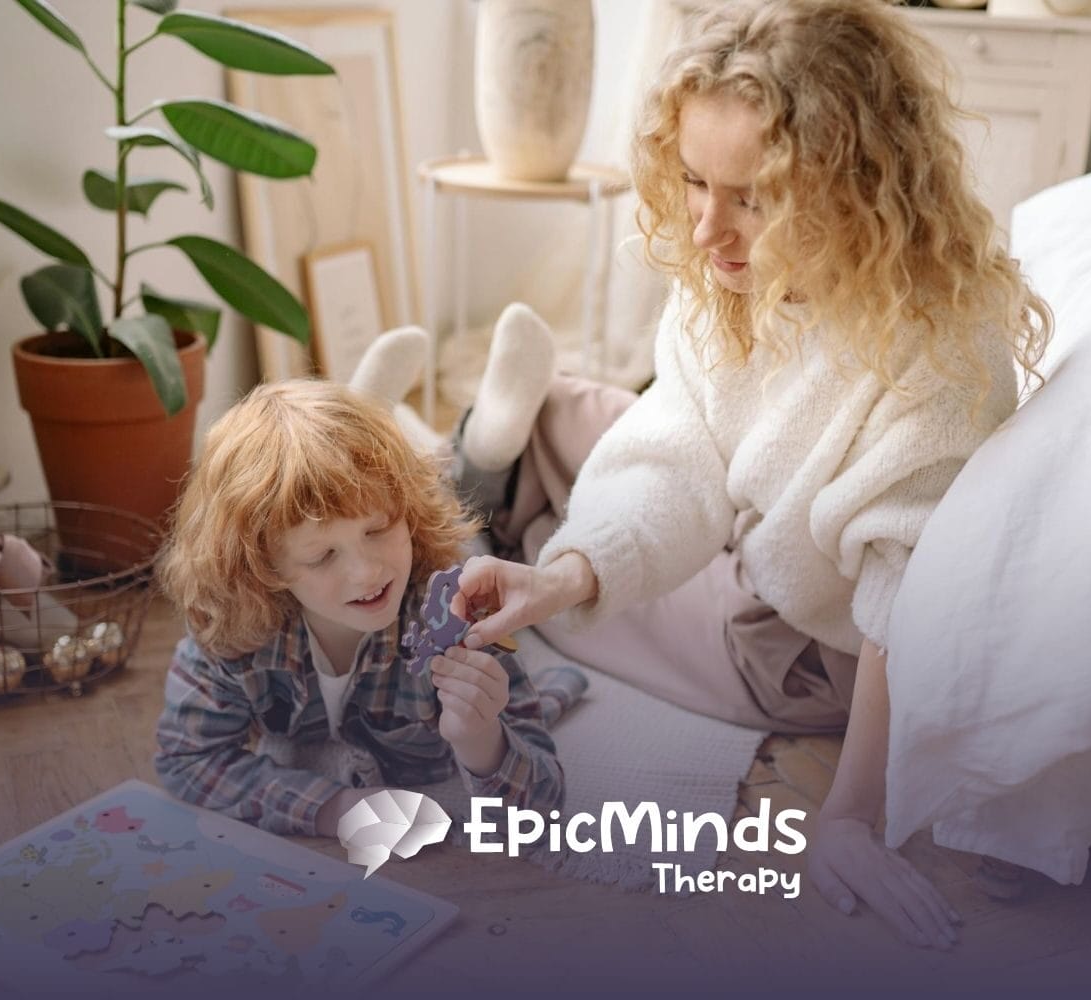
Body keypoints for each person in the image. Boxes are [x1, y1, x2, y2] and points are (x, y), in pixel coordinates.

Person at [440, 0, 1050, 949]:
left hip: (805, 647)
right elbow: (678, 448)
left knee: (567, 563)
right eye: (694, 181)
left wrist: (849, 816)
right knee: (568, 416)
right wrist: (562, 576)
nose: (707, 230)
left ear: (853, 186)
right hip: (751, 522)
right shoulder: (731, 276)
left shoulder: (936, 348)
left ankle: (483, 498)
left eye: (753, 198)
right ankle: (493, 479)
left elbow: (898, 602)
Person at [153, 379, 565, 838]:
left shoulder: (457, 610)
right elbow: (187, 759)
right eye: (322, 556)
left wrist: (481, 741)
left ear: (406, 512)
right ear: (260, 568)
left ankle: (468, 440)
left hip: (457, 541)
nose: (367, 573)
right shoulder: (234, 628)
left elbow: (540, 808)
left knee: (483, 520)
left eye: (378, 529)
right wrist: (335, 808)